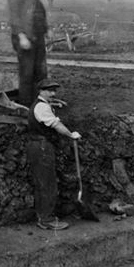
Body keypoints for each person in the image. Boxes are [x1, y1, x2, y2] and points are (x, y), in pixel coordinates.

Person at [27, 79, 81, 231]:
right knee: (48, 184)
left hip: (37, 145)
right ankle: (47, 220)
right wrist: (71, 135)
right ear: (41, 91)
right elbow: (56, 125)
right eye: (49, 90)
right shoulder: (42, 107)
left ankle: (42, 217)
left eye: (54, 90)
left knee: (42, 183)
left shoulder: (39, 105)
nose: (53, 93)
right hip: (42, 147)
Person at [7, 0, 49, 107]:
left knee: (41, 70)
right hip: (23, 37)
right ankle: (26, 105)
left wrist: (46, 29)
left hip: (38, 35)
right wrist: (22, 36)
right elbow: (14, 17)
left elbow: (41, 11)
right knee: (27, 72)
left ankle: (41, 102)